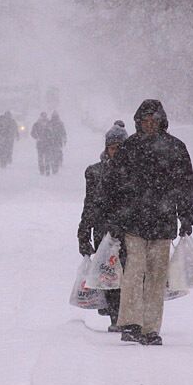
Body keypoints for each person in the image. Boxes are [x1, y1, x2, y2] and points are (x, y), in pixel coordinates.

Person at [104, 99, 193, 346]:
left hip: (162, 223)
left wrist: (186, 214)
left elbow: (184, 185)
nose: (150, 125)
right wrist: (115, 216)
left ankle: (151, 327)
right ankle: (132, 323)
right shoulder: (130, 148)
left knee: (156, 275)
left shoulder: (175, 148)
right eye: (146, 121)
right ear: (138, 122)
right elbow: (115, 185)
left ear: (162, 121)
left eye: (154, 121)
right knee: (134, 272)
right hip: (134, 222)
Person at [77, 121, 128, 331]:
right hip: (103, 231)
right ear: (107, 148)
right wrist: (84, 232)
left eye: (119, 147)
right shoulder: (95, 172)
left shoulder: (134, 171)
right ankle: (115, 318)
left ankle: (125, 316)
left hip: (127, 229)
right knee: (108, 274)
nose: (115, 151)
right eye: (112, 147)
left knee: (126, 274)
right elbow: (89, 203)